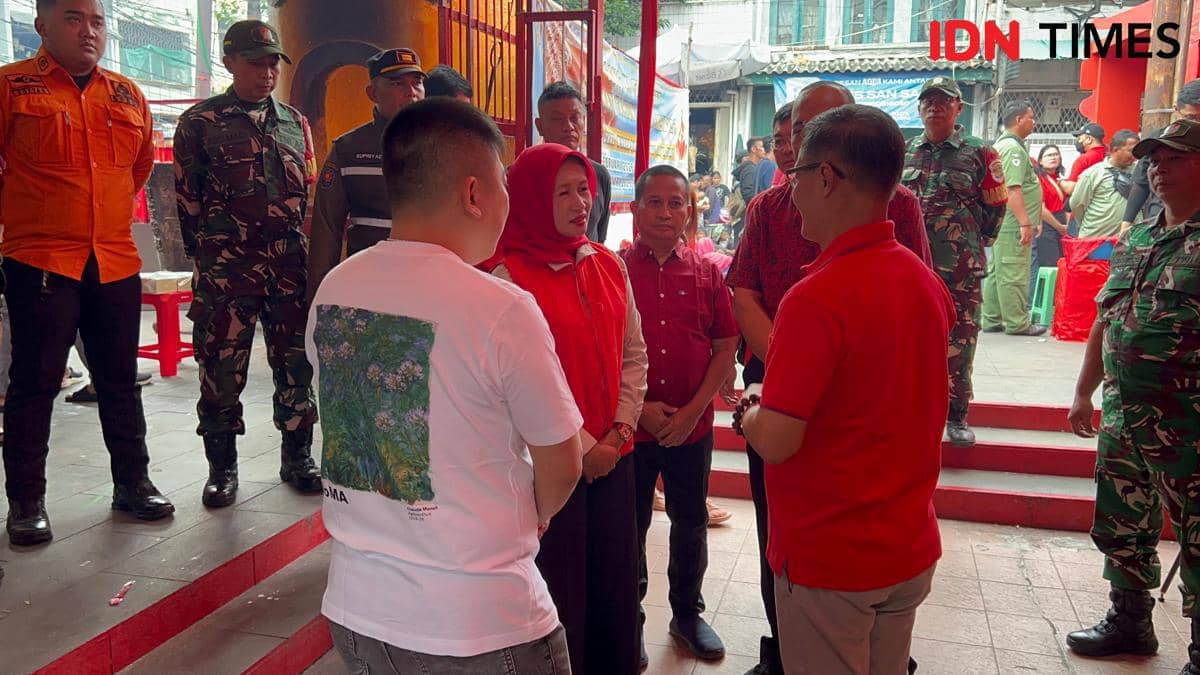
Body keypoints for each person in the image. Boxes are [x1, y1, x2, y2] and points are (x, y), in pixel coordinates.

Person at [309, 97, 582, 674]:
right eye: (502, 180)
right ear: (473, 194)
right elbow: (562, 462)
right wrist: (529, 513)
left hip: (357, 611)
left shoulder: (335, 289)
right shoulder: (500, 308)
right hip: (477, 622)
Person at [736, 103, 954, 675]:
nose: (793, 190)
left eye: (798, 176)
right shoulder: (923, 282)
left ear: (826, 177)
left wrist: (750, 407)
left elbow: (779, 440)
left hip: (832, 560)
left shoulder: (816, 299)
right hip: (906, 546)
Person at [2, 0, 175, 545]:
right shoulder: (11, 87)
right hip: (41, 260)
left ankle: (133, 483)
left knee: (119, 380)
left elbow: (139, 166)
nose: (89, 31)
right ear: (42, 26)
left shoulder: (126, 94)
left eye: (97, 21)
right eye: (74, 18)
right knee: (34, 384)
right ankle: (26, 502)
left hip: (115, 259)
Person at [487, 143, 648, 674]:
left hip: (614, 456)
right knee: (561, 592)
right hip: (550, 469)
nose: (581, 202)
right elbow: (530, 384)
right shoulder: (504, 277)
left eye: (584, 189)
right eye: (563, 191)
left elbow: (633, 354)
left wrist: (620, 433)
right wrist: (585, 448)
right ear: (531, 198)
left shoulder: (606, 264)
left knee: (614, 583)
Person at [1064, 118, 1200, 675]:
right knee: (1122, 519)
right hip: (1124, 412)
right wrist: (1083, 393)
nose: (1158, 169)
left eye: (1174, 158)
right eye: (1153, 160)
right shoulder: (1141, 234)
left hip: (1189, 419)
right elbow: (1106, 315)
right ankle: (1129, 620)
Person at [174, 19, 322, 508]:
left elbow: (310, 195)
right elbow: (187, 204)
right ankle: (222, 470)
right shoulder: (199, 124)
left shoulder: (294, 123)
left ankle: (297, 457)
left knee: (296, 365)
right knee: (220, 370)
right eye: (256, 62)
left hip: (287, 270)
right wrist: (215, 257)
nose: (267, 72)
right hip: (227, 272)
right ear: (229, 61)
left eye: (273, 62)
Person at [621, 165, 739, 668]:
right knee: (630, 526)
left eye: (676, 203)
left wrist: (694, 412)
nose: (666, 212)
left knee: (690, 521)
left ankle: (686, 614)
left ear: (688, 212)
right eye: (655, 202)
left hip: (692, 428)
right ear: (636, 208)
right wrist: (640, 410)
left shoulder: (709, 271)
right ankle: (630, 621)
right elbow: (604, 348)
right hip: (633, 428)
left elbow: (725, 345)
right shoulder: (615, 269)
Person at [902, 76, 1008, 448]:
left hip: (959, 269)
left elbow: (996, 206)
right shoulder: (906, 151)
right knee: (907, 341)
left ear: (958, 108)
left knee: (959, 341)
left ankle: (957, 415)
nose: (935, 107)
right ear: (919, 108)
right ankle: (910, 411)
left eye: (943, 102)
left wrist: (973, 244)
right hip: (910, 268)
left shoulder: (979, 152)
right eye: (928, 101)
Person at [307, 48, 426, 301]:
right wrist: (319, 299)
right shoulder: (349, 149)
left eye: (417, 83)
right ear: (373, 93)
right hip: (368, 286)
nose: (411, 92)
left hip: (428, 283)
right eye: (397, 83)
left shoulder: (444, 145)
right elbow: (327, 230)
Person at [981, 99, 1047, 336]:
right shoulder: (1012, 149)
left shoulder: (1007, 147)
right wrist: (1025, 222)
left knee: (999, 270)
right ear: (1019, 119)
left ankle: (991, 318)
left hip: (1007, 223)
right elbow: (1012, 188)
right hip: (1012, 223)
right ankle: (1018, 322)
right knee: (1014, 270)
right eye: (1031, 117)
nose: (1034, 121)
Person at [535, 81, 611, 245]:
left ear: (584, 122)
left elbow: (599, 239)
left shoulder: (599, 174)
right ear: (539, 126)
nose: (568, 127)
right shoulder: (522, 174)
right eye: (557, 119)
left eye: (575, 118)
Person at [1119, 79, 1199, 234]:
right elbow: (1141, 184)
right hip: (1160, 221)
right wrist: (1126, 222)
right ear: (1177, 111)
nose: (1197, 123)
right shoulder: (1158, 139)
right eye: (1191, 117)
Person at [1070, 129, 1140, 239]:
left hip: (1128, 241)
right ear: (1116, 150)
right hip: (1095, 240)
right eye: (1131, 151)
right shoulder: (1093, 174)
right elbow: (1077, 204)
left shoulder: (1139, 172)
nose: (1135, 156)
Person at [1030, 144, 1070, 300]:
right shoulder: (1039, 179)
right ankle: (1043, 304)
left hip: (1061, 225)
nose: (1053, 157)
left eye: (1056, 154)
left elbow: (1067, 205)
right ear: (1040, 161)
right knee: (1049, 266)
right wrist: (1060, 227)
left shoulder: (1060, 179)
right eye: (1048, 155)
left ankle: (1054, 303)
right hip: (1048, 226)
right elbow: (1041, 207)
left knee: (1060, 265)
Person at [1062, 122, 1107, 195]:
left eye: (1079, 138)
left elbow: (1071, 189)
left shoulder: (1084, 159)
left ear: (1089, 139)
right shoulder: (1109, 155)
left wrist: (1060, 182)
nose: (1078, 141)